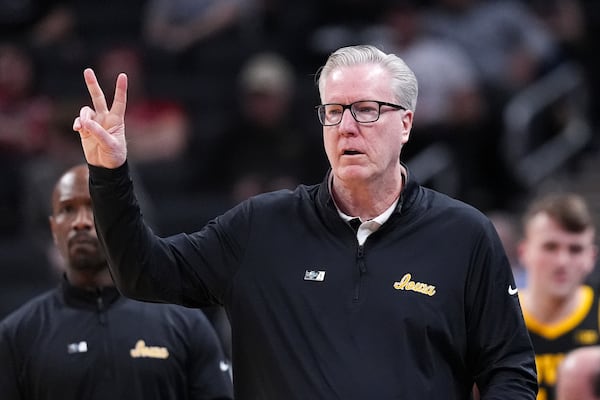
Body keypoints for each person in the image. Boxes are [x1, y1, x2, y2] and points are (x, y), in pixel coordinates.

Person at [73, 44, 537, 399]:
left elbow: (510, 369)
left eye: (367, 110)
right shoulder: (261, 227)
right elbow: (142, 272)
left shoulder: (464, 235)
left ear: (406, 124)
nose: (347, 127)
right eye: (333, 112)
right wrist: (110, 174)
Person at [0, 164, 233, 400]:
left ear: (120, 218)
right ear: (53, 228)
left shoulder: (184, 323)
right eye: (67, 209)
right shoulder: (19, 333)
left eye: (92, 207)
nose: (80, 222)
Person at [517, 192, 599, 400]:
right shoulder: (496, 318)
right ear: (524, 252)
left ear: (591, 257)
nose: (562, 261)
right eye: (550, 247)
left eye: (575, 249)